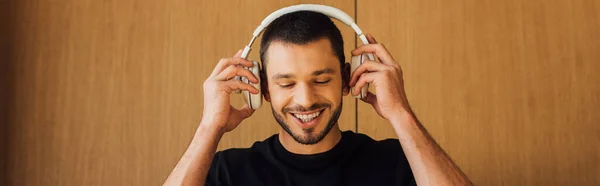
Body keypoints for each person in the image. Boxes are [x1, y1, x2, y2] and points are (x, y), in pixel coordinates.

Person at [164, 11, 472, 186]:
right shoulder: (228, 172)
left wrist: (401, 114)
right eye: (286, 84)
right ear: (263, 90)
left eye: (321, 80)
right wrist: (209, 128)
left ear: (349, 79)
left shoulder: (399, 163)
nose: (306, 99)